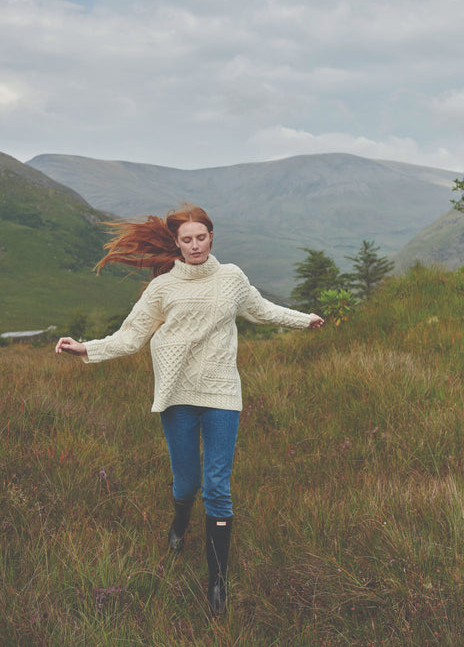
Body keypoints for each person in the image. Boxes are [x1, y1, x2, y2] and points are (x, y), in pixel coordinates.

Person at [55, 204, 324, 617]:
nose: (195, 245)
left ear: (211, 237)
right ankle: (180, 520)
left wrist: (304, 319)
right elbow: (131, 337)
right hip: (177, 395)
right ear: (176, 244)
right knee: (187, 483)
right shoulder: (163, 287)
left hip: (221, 394)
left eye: (201, 237)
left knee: (217, 483)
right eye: (187, 240)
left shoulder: (231, 278)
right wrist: (85, 348)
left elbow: (262, 309)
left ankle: (217, 581)